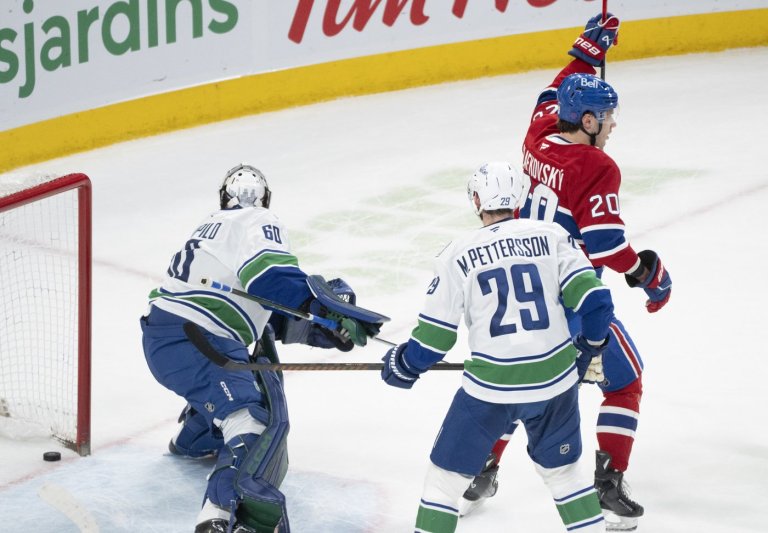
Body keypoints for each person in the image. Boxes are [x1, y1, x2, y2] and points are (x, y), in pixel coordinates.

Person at [461, 13, 672, 531]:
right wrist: (647, 274)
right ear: (589, 122)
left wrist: (586, 50)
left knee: (523, 382)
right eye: (608, 116)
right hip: (573, 299)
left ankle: (481, 468)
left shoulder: (538, 133)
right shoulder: (595, 167)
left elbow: (555, 88)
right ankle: (607, 484)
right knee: (625, 383)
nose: (614, 125)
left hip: (521, 290)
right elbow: (606, 245)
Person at [140, 163, 381, 533]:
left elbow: (260, 310)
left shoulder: (213, 228)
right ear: (265, 200)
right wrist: (324, 308)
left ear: (224, 198)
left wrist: (325, 328)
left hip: (170, 337)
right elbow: (270, 278)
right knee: (252, 420)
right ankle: (218, 516)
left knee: (232, 387)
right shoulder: (257, 220)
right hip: (199, 337)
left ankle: (194, 437)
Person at [380, 162, 615, 533]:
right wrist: (591, 346)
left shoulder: (456, 254)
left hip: (492, 389)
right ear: (518, 198)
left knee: (443, 485)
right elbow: (598, 302)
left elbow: (434, 340)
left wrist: (404, 365)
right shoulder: (551, 235)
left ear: (476, 201)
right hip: (555, 383)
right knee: (567, 478)